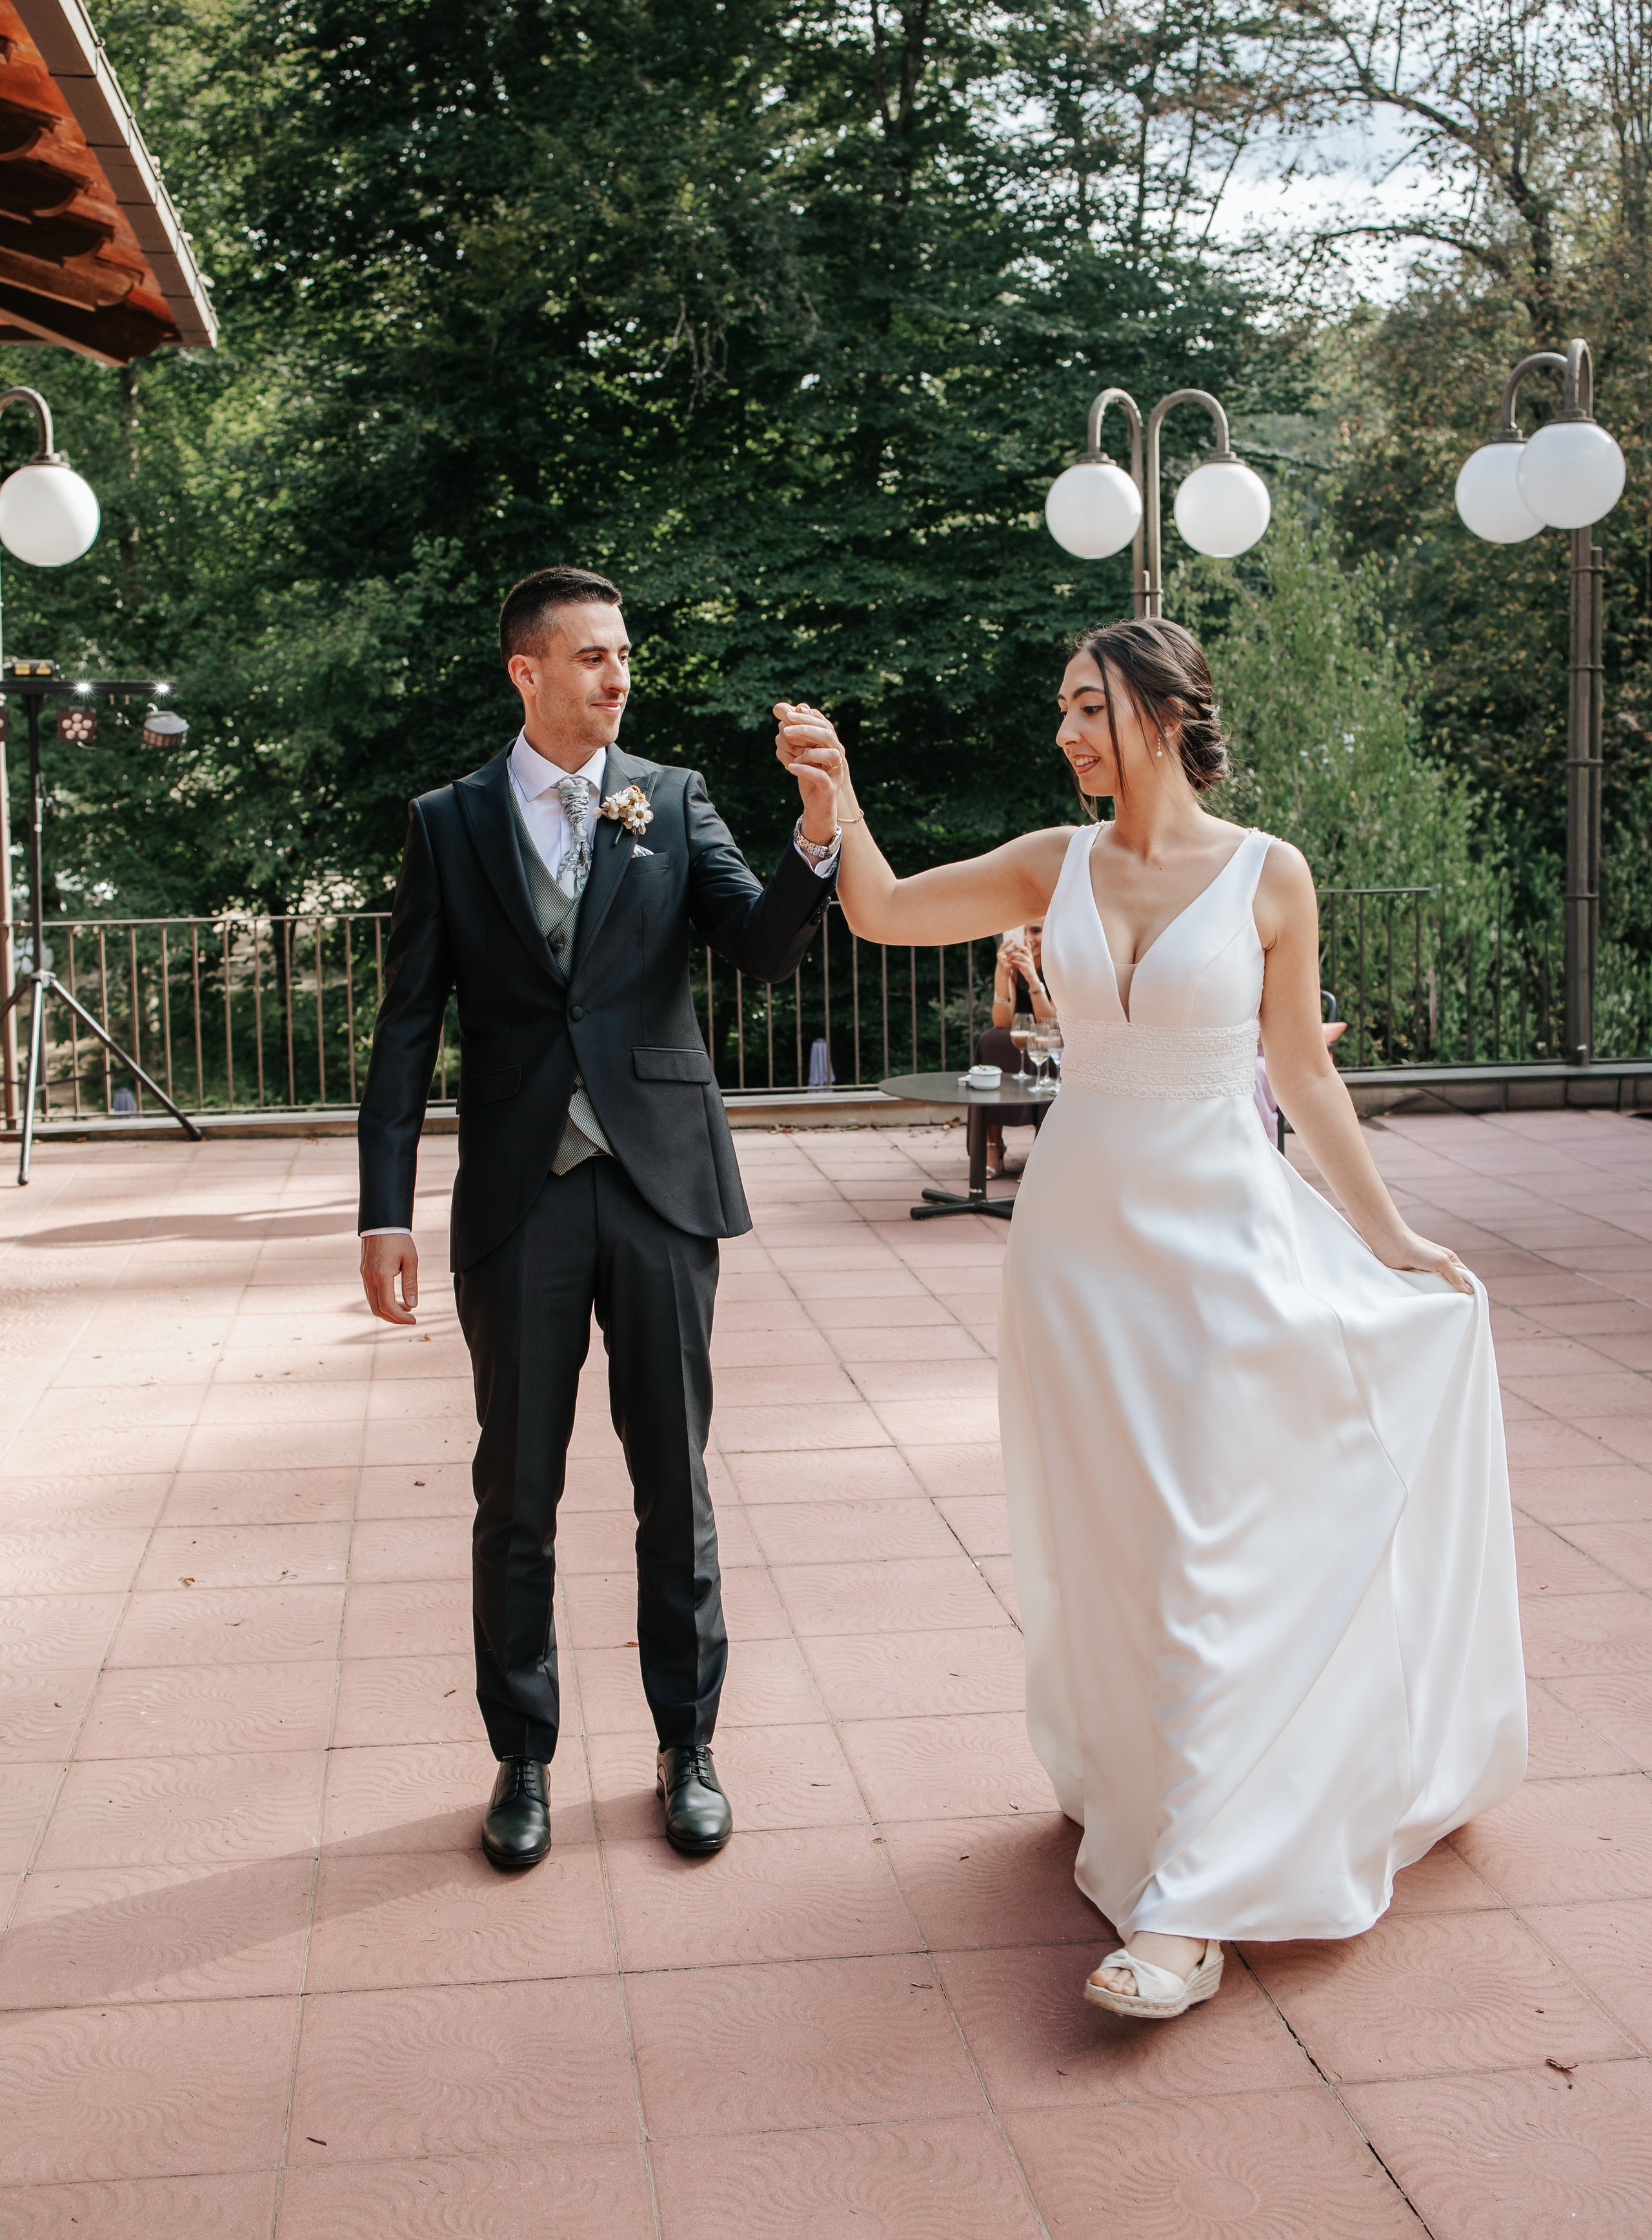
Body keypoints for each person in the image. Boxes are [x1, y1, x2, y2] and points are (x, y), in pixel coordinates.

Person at [774, 620, 1525, 2020]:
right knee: (1110, 1539)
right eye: (1058, 709)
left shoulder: (1266, 875)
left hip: (1221, 1247)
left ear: (1166, 713)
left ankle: (1188, 1905)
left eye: (1086, 708)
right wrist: (836, 803)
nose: (1063, 733)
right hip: (1072, 1250)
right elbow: (876, 910)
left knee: (1203, 1544)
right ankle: (1138, 1787)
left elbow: (1298, 1074)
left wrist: (1391, 1237)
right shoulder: (1047, 863)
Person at [358, 567, 839, 1872]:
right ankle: (521, 1760)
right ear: (525, 670)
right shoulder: (450, 822)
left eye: (623, 654)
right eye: (588, 657)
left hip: (660, 1184)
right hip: (520, 1194)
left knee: (672, 1480)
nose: (616, 675)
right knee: (515, 1490)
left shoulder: (672, 799)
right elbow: (408, 1028)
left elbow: (760, 948)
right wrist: (382, 1208)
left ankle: (689, 1747)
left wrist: (814, 831)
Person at [985, 925, 1056, 1174]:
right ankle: (992, 1144)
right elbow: (1002, 1022)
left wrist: (1032, 978)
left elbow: (1052, 1025)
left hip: (1052, 1042)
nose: (1028, 940)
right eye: (1022, 932)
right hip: (1021, 1038)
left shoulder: (1059, 963)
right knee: (991, 1040)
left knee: (1047, 1046)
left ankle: (1041, 1151)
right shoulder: (1009, 963)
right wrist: (1004, 974)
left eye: (1036, 931)